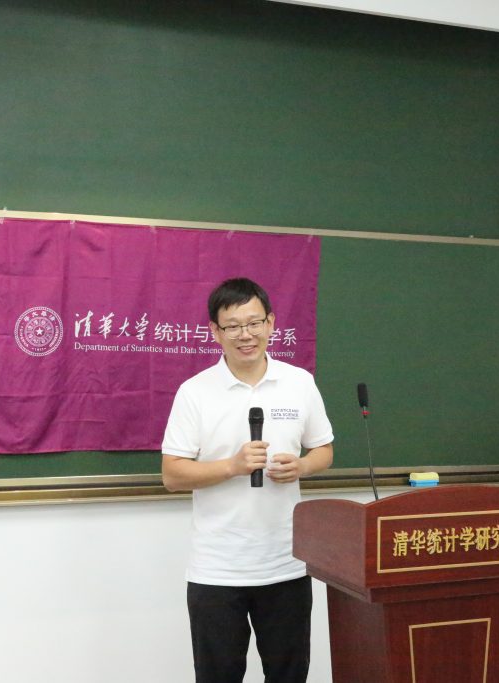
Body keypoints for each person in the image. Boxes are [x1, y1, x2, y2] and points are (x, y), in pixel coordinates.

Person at [161, 277, 335, 683]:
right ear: (215, 331)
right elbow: (172, 474)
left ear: (271, 323)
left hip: (286, 565)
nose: (246, 335)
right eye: (233, 326)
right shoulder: (195, 392)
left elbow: (324, 451)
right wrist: (232, 466)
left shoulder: (299, 382)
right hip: (218, 570)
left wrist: (301, 467)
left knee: (290, 675)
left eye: (255, 323)